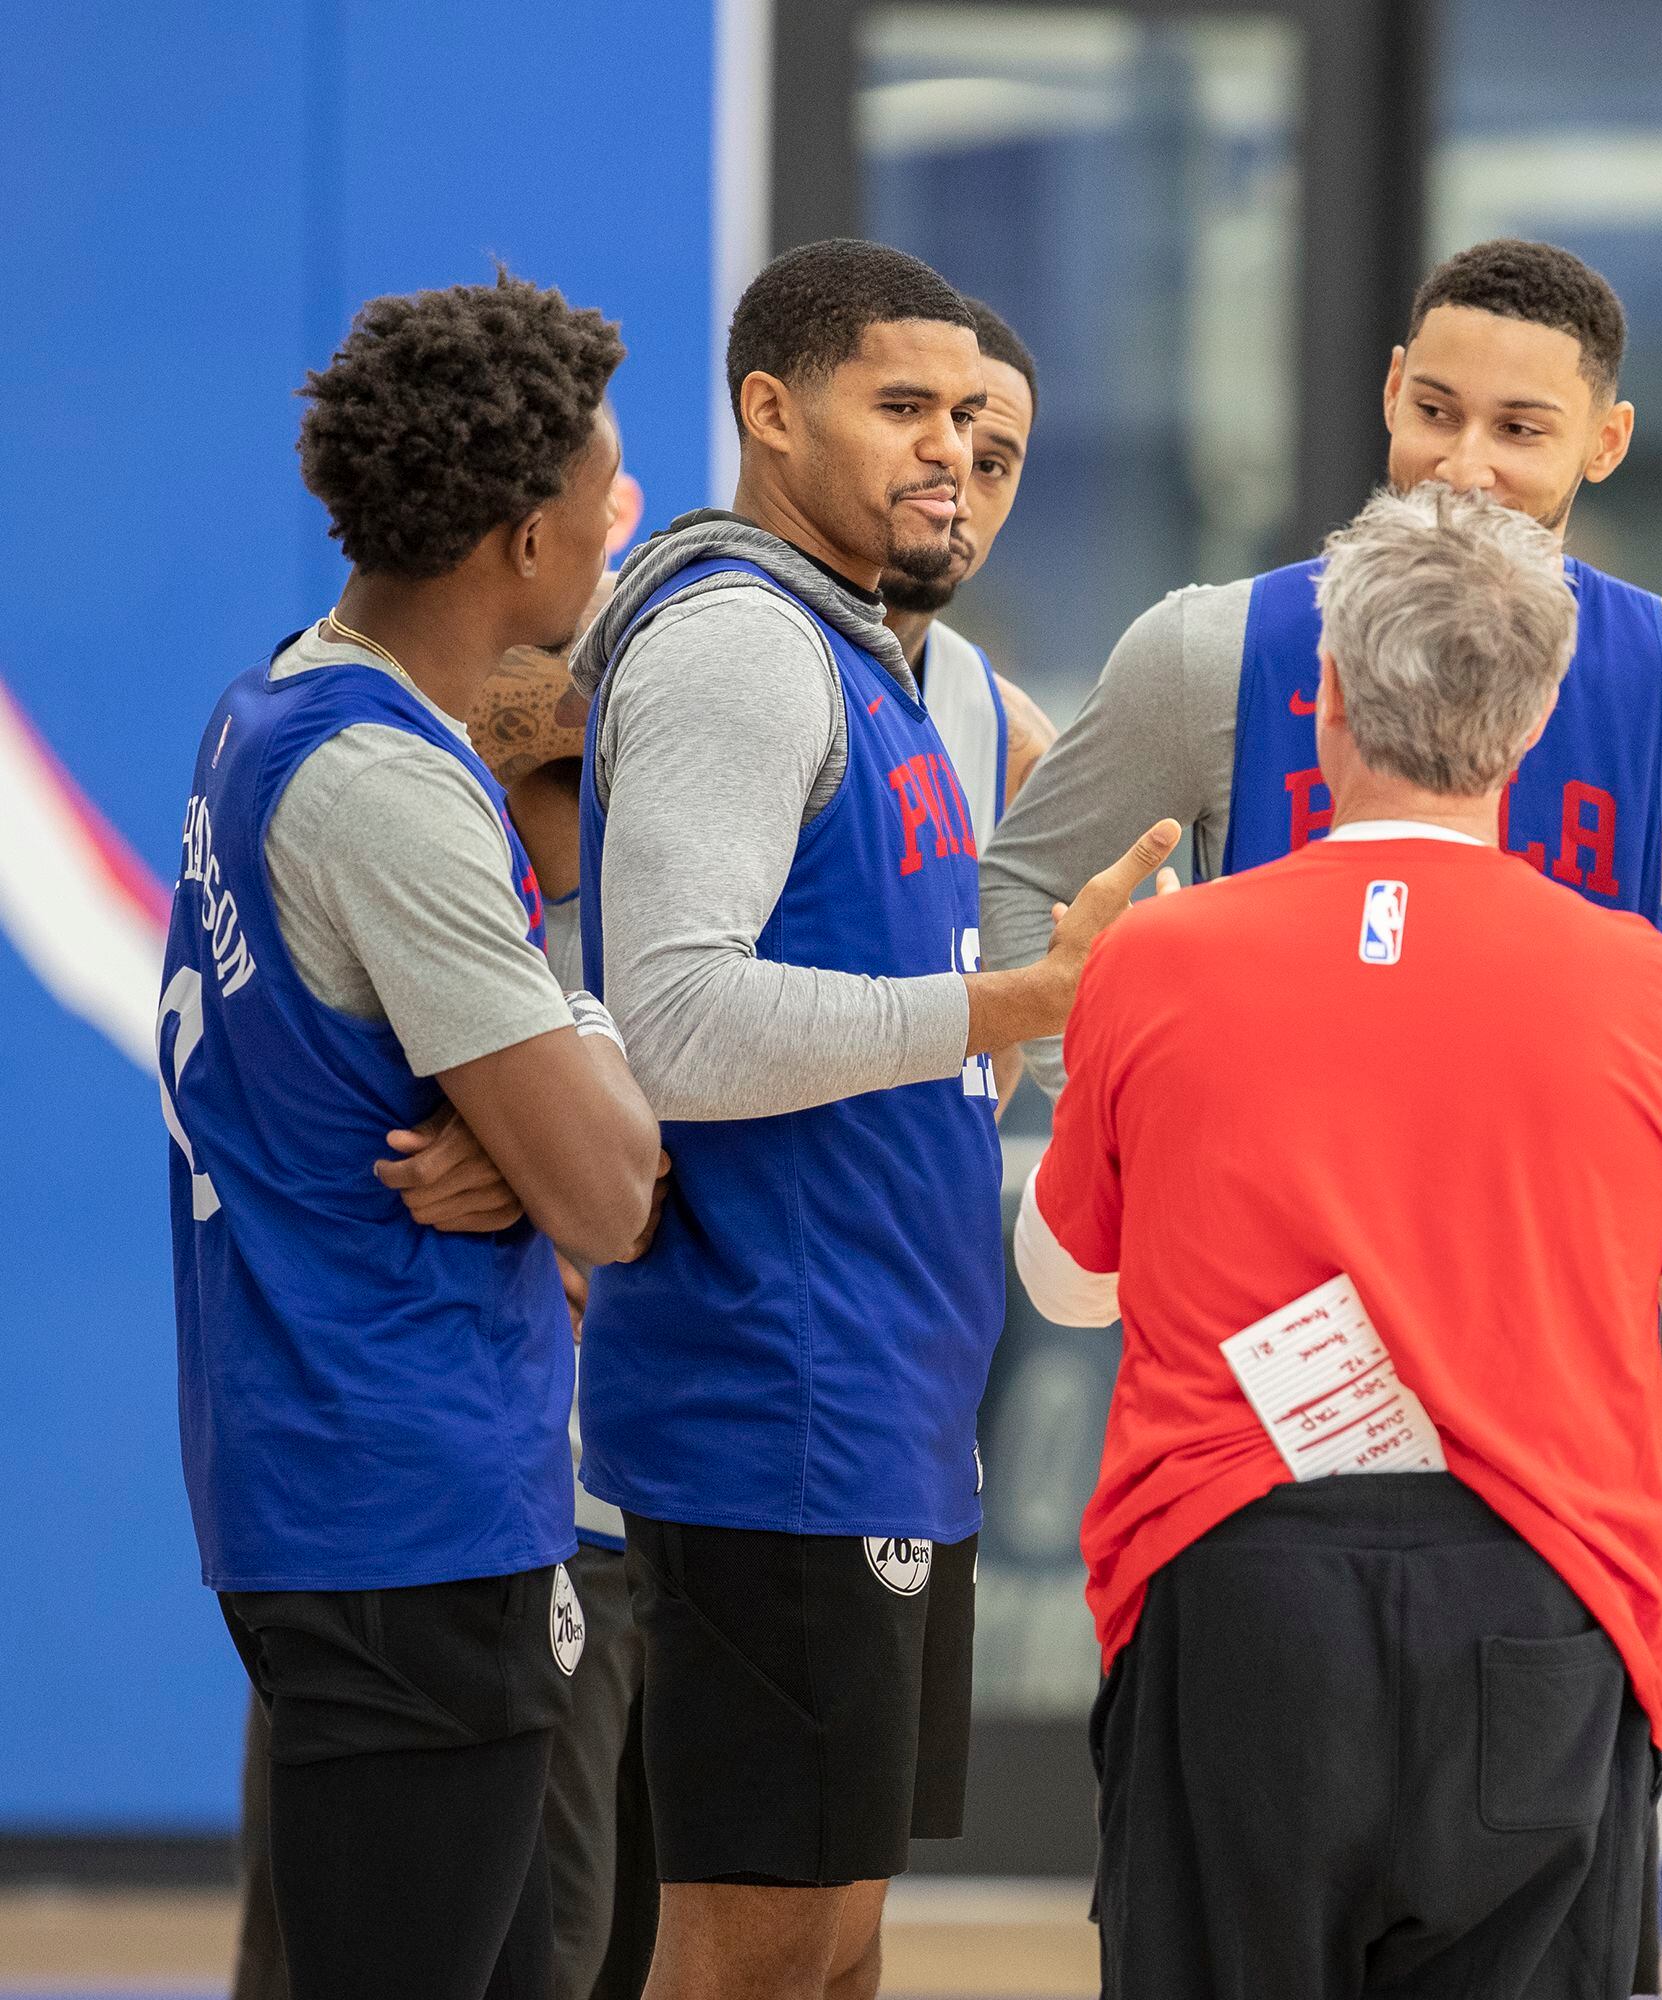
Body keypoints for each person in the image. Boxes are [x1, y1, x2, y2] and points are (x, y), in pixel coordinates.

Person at [1015, 482, 1662, 1999]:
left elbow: (1066, 1281)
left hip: (1234, 1595)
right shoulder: (1650, 989)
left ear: (1317, 696)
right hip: (1541, 1595)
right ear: (1532, 728)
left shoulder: (1155, 962)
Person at [566, 236, 1174, 2000]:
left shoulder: (914, 667)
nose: (946, 455)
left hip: (881, 1398)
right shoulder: (745, 646)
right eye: (903, 409)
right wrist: (1012, 1009)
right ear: (770, 413)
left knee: (831, 1955)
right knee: (754, 1956)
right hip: (774, 1396)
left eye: (978, 426)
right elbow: (673, 1021)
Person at [166, 272, 663, 2000]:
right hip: (409, 1507)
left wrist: (512, 1127)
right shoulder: (389, 788)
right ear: (523, 543)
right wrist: (561, 1090)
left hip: (331, 1480)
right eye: (603, 503)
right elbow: (607, 1190)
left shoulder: (277, 704)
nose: (621, 537)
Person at [982, 236, 1662, 1150]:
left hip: (1553, 1276)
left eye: (1519, 430)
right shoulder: (1210, 650)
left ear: (1605, 442)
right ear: (1391, 392)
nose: (1463, 466)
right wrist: (1140, 1138)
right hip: (1267, 1267)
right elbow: (1025, 880)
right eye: (1436, 410)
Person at [879, 296, 1059, 848]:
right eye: (929, 442)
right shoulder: (704, 640)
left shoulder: (1020, 749)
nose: (953, 495)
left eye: (989, 466)